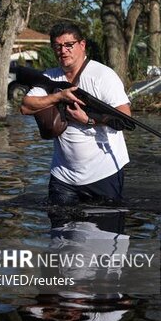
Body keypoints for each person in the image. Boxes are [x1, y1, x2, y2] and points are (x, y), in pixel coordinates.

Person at [21, 22, 131, 205]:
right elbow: (25, 107)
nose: (63, 51)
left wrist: (88, 120)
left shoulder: (103, 76)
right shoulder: (49, 77)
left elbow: (125, 116)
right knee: (60, 229)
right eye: (58, 46)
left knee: (106, 230)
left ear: (82, 45)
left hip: (104, 172)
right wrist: (58, 96)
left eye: (69, 45)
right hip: (63, 176)